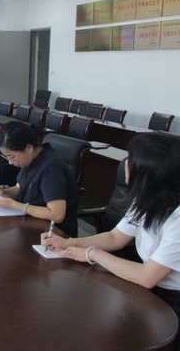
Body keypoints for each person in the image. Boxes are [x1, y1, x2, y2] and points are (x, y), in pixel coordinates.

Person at [42, 132, 180, 348]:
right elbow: (116, 237)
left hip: (173, 301)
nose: (125, 164)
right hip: (150, 290)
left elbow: (147, 277)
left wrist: (92, 254)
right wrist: (69, 243)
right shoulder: (148, 198)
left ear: (148, 172)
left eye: (130, 159)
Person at [0, 121, 78, 237]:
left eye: (12, 157)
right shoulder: (30, 160)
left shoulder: (51, 167)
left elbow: (57, 215)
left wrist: (14, 205)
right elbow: (20, 188)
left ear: (29, 148)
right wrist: (3, 192)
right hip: (30, 223)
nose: (10, 162)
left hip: (54, 234)